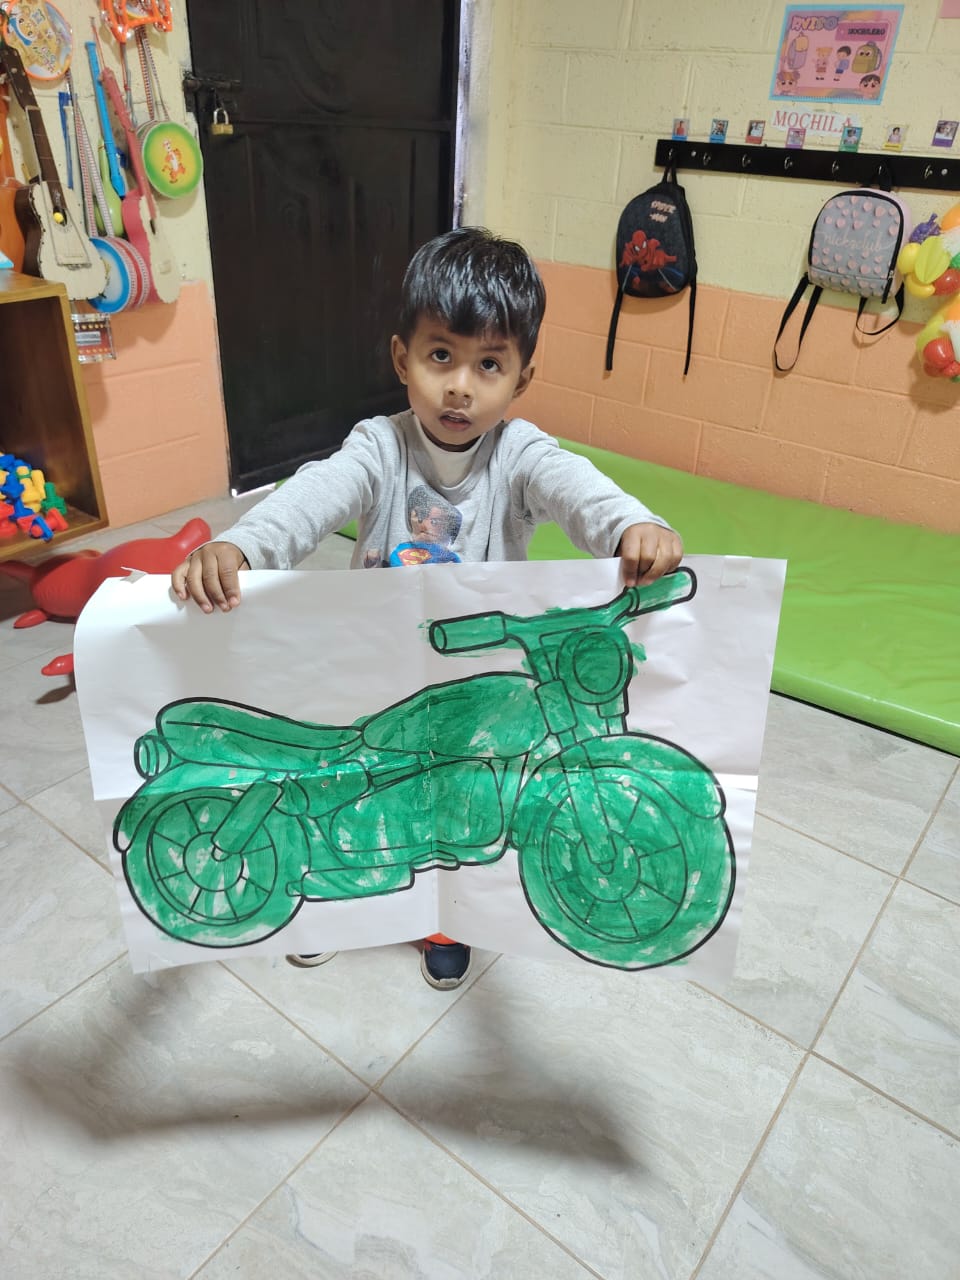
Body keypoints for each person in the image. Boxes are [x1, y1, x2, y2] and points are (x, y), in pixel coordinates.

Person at [172, 226, 683, 989]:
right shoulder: (378, 446)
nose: (460, 387)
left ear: (523, 377)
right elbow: (315, 495)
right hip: (368, 662)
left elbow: (578, 489)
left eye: (489, 365)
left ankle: (444, 916)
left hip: (469, 674)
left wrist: (630, 526)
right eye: (441, 355)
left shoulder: (519, 454)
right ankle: (328, 906)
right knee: (341, 782)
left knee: (456, 793)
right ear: (401, 357)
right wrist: (244, 545)